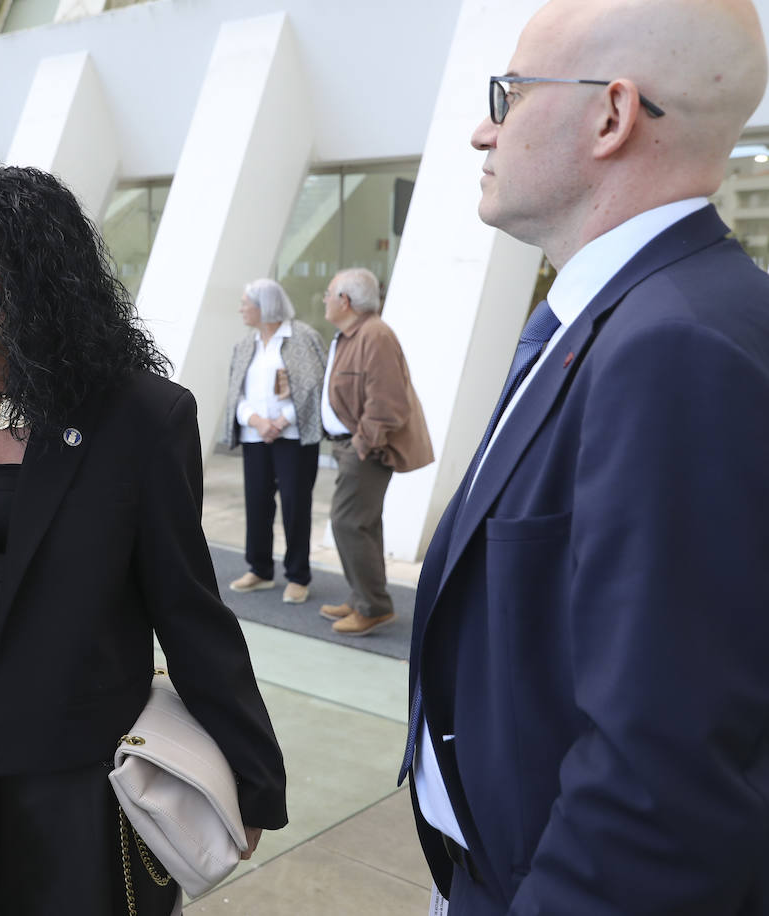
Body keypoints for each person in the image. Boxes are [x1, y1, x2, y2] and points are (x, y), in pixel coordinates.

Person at [401, 1, 769, 913]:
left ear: (611, 114)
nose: (484, 128)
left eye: (511, 94)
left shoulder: (674, 347)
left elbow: (662, 779)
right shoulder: (631, 320)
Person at [0, 165, 287, 916]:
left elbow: (185, 606)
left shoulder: (142, 416)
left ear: (36, 264)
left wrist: (251, 774)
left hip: (78, 768)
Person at [316, 268, 432, 635]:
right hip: (353, 446)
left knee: (348, 523)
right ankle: (363, 596)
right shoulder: (353, 335)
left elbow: (388, 403)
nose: (324, 299)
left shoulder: (374, 335)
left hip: (366, 449)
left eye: (329, 293)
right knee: (363, 525)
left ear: (345, 301)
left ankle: (373, 606)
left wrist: (361, 446)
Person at [219, 278, 327, 604]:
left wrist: (280, 421)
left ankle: (298, 575)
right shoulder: (244, 345)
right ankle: (260, 570)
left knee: (295, 505)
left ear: (264, 306)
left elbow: (315, 387)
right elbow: (235, 392)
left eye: (245, 303)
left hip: (292, 436)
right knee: (257, 502)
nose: (241, 309)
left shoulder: (302, 337)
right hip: (256, 437)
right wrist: (256, 421)